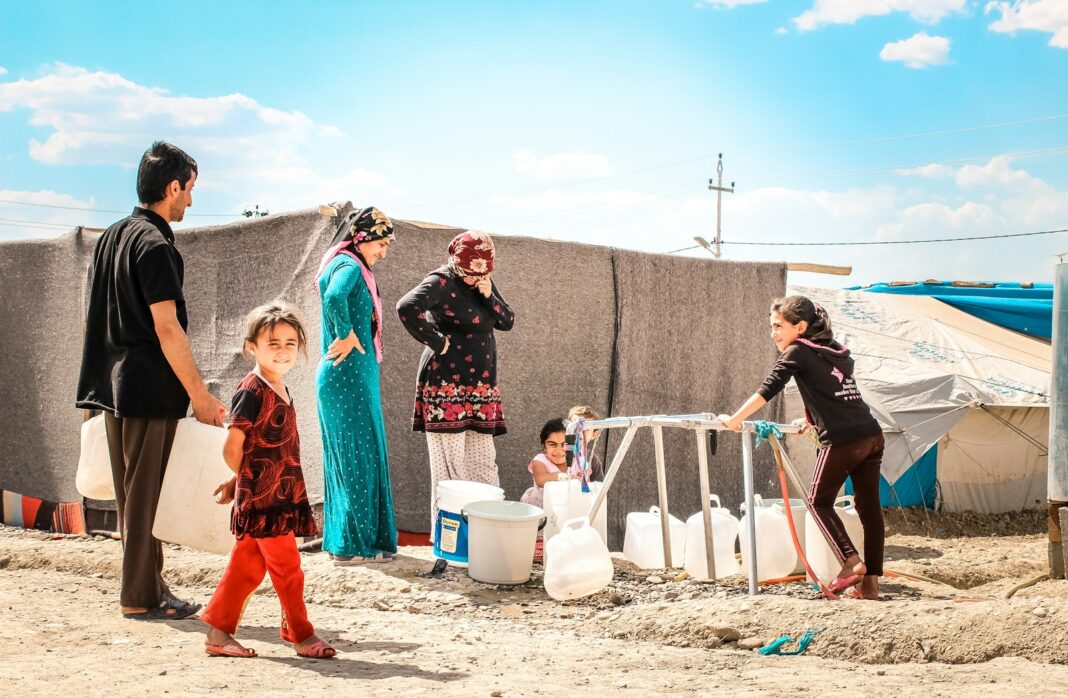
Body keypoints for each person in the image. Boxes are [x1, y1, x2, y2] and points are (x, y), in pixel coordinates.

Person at [75, 141, 225, 620]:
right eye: (190, 190)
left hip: (113, 386)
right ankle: (140, 596)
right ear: (172, 187)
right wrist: (199, 395)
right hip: (146, 388)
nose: (191, 202)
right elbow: (166, 326)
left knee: (131, 496)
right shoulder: (156, 244)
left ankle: (149, 586)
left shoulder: (113, 236)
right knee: (146, 498)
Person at [716, 295, 884, 600]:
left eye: (779, 326)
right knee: (869, 509)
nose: (773, 333)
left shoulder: (798, 351)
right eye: (772, 326)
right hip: (871, 435)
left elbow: (770, 387)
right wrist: (814, 419)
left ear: (801, 326)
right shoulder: (835, 350)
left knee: (817, 502)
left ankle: (851, 562)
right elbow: (830, 392)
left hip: (844, 439)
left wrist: (734, 420)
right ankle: (870, 584)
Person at [202, 303, 335, 659]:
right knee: (288, 568)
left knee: (246, 567)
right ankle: (302, 635)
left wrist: (237, 481)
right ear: (252, 347)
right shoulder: (252, 391)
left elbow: (258, 448)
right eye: (272, 343)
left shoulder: (280, 388)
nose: (282, 350)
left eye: (290, 343)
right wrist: (243, 480)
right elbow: (233, 447)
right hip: (265, 502)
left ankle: (218, 633)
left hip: (279, 494)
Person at [396, 230, 515, 532]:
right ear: (459, 262)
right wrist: (437, 341)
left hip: (479, 387)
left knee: (483, 461)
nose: (475, 278)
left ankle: (486, 534)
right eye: (471, 273)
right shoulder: (441, 281)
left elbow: (506, 321)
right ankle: (448, 542)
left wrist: (488, 295)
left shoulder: (483, 280)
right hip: (446, 385)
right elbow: (406, 307)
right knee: (451, 467)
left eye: (482, 273)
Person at [316, 207, 398, 565]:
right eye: (381, 244)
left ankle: (355, 542)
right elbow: (333, 297)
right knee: (357, 458)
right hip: (346, 377)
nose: (383, 252)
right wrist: (346, 334)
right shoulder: (349, 266)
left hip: (351, 377)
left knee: (356, 457)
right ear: (363, 238)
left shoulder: (348, 263)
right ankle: (352, 546)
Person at [520, 418, 569, 508]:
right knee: (532, 494)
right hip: (543, 512)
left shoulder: (579, 462)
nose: (558, 451)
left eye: (564, 444)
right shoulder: (540, 460)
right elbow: (540, 480)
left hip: (568, 510)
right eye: (552, 444)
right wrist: (567, 477)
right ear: (544, 445)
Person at [567, 405, 604, 482]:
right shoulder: (559, 451)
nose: (579, 432)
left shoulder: (592, 459)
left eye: (586, 429)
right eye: (574, 427)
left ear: (594, 434)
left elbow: (598, 487)